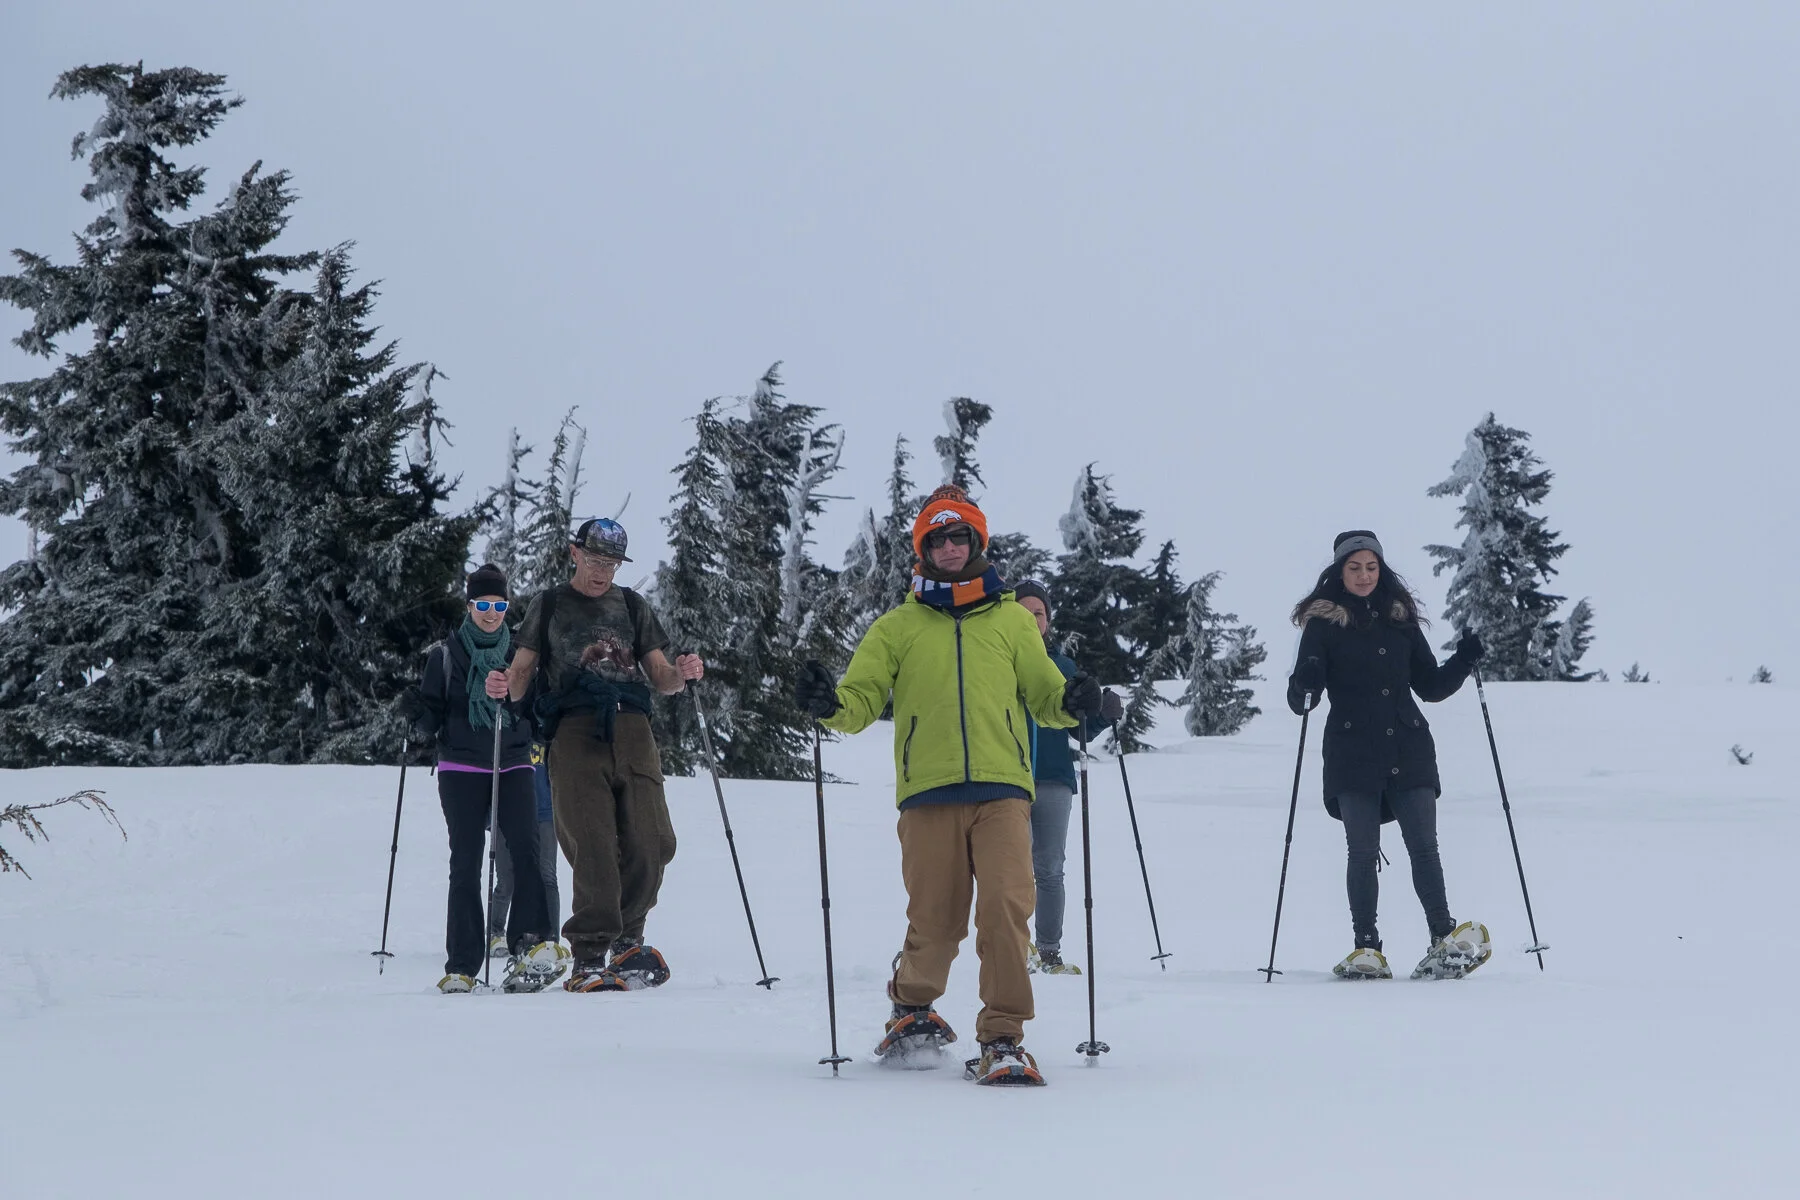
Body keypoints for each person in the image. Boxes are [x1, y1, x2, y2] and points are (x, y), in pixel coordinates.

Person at [795, 486, 1106, 1086]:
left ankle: (1004, 1037)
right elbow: (858, 702)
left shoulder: (1015, 621)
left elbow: (1045, 697)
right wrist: (828, 701)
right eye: (936, 538)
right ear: (923, 550)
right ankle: (911, 1004)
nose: (949, 546)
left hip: (1003, 791)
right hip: (928, 792)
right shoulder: (896, 627)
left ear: (977, 541)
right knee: (937, 923)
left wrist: (1073, 700)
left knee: (1007, 909)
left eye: (959, 535)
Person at [501, 518, 705, 992]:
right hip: (573, 730)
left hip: (633, 729)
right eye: (595, 560)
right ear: (575, 553)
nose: (602, 571)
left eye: (611, 563)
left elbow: (661, 676)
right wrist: (504, 691)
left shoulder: (633, 605)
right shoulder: (549, 604)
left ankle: (630, 941)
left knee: (653, 839)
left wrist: (683, 672)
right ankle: (590, 954)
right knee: (590, 842)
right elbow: (523, 669)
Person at [1285, 530, 1492, 981]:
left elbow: (1431, 687)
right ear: (1340, 572)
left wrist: (1464, 660)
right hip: (1351, 751)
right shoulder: (1323, 624)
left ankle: (1443, 937)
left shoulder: (1401, 620)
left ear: (1382, 569)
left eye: (1371, 567)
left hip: (1408, 744)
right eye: (1354, 567)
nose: (1364, 575)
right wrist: (1304, 680)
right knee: (1361, 851)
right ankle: (1366, 947)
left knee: (1424, 847)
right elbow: (1303, 700)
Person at [403, 564, 561, 994]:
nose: (492, 613)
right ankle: (462, 964)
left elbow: (537, 714)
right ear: (470, 605)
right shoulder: (445, 655)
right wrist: (415, 713)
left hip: (511, 760)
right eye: (484, 605)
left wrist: (513, 701)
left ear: (508, 606)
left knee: (526, 847)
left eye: (499, 605)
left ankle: (529, 944)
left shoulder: (521, 656)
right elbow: (430, 718)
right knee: (466, 861)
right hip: (460, 765)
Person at [1011, 579, 1122, 977]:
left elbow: (1080, 728)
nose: (1030, 618)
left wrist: (1103, 712)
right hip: (1008, 778)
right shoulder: (999, 660)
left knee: (1050, 868)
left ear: (1048, 620)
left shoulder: (1063, 667)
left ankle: (1049, 952)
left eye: (1037, 612)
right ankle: (1017, 949)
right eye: (1022, 611)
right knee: (1012, 869)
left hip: (1056, 779)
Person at [486, 742, 562, 959]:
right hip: (508, 813)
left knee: (547, 876)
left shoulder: (546, 729)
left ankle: (551, 937)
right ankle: (494, 931)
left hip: (545, 813)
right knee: (507, 879)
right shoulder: (507, 728)